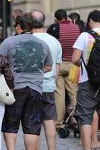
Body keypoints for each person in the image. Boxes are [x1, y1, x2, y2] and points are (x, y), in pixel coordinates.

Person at [0, 13, 53, 150]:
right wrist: (35, 70)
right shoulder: (43, 44)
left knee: (11, 124)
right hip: (36, 90)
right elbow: (49, 66)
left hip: (15, 89)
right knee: (32, 127)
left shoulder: (9, 42)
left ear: (19, 26)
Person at [31, 10, 62, 150]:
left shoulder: (28, 40)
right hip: (49, 85)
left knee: (33, 121)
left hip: (31, 86)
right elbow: (57, 68)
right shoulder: (54, 41)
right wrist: (52, 84)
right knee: (49, 120)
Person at [47, 9, 81, 128]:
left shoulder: (54, 28)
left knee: (59, 94)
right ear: (67, 18)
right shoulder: (76, 28)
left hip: (59, 64)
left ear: (56, 19)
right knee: (74, 92)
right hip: (73, 64)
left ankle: (59, 121)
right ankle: (77, 118)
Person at [72, 10, 100, 150]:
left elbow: (75, 58)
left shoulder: (85, 35)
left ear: (90, 21)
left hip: (87, 81)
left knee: (85, 116)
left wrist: (86, 64)